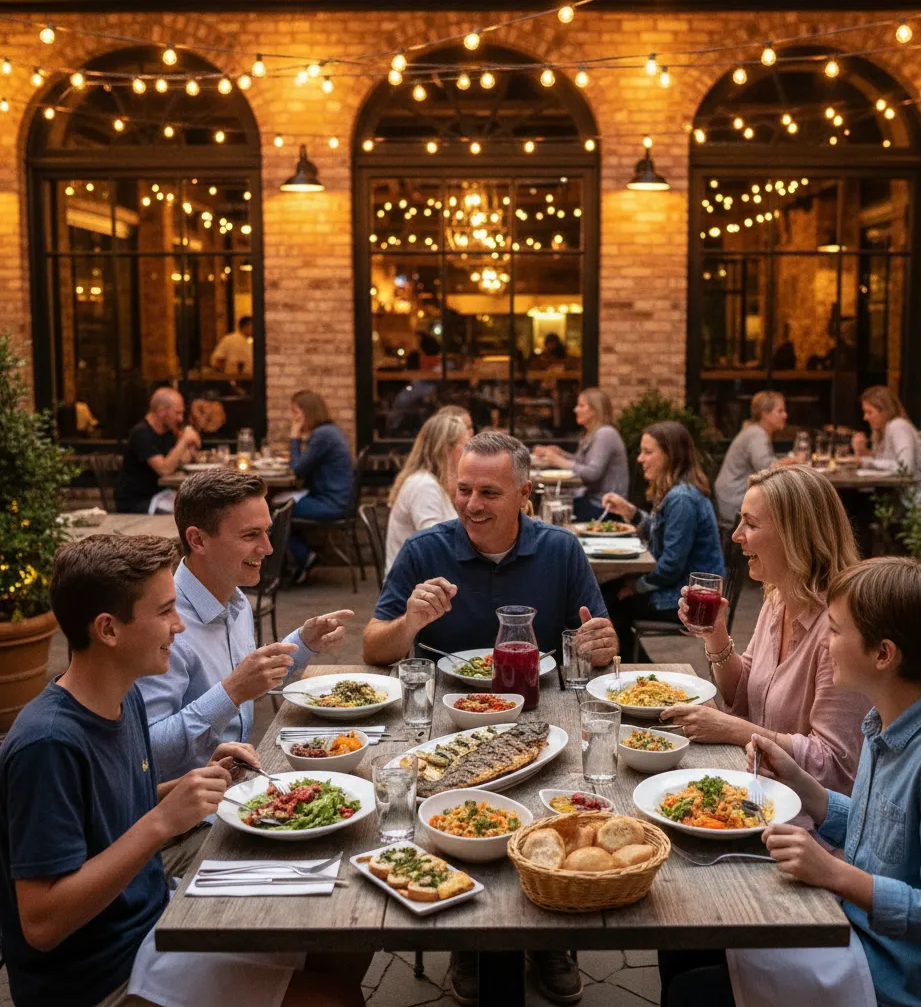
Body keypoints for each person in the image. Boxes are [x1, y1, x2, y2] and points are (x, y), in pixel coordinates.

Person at [0, 534, 368, 1007]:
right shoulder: (48, 745)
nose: (179, 626)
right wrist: (162, 822)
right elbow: (42, 923)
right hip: (104, 976)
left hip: (160, 919)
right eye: (164, 612)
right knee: (332, 997)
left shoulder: (124, 695)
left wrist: (187, 787)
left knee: (344, 931)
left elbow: (106, 811)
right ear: (108, 630)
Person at [662, 557, 921, 1007]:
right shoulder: (886, 721)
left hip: (901, 981)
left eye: (837, 630)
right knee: (683, 937)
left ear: (883, 654)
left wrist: (833, 873)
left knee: (694, 992)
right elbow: (879, 831)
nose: (825, 639)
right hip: (857, 933)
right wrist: (804, 785)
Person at [364, 431, 617, 1007]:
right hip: (450, 717)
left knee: (555, 798)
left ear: (524, 493)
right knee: (448, 806)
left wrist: (603, 643)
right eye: (463, 489)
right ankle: (469, 942)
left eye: (489, 493)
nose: (471, 504)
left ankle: (547, 933)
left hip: (542, 710)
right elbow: (374, 646)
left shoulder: (560, 549)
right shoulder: (426, 551)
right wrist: (409, 623)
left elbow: (598, 643)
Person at [135, 471, 354, 876]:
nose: (268, 548)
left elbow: (252, 680)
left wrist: (302, 643)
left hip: (238, 788)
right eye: (251, 535)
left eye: (267, 532)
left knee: (352, 808)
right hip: (176, 830)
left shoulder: (233, 598)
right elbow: (144, 753)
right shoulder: (165, 623)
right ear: (198, 539)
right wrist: (230, 692)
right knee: (324, 862)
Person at [665, 464, 869, 793]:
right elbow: (746, 695)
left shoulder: (841, 627)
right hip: (759, 789)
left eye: (752, 523)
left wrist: (732, 730)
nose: (736, 535)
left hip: (807, 823)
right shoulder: (777, 600)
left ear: (795, 535)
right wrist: (715, 634)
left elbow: (834, 766)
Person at [601, 421, 724, 657]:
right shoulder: (677, 492)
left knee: (608, 605)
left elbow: (670, 567)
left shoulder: (682, 499)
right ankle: (636, 670)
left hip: (687, 598)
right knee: (606, 593)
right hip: (677, 586)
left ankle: (632, 675)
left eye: (647, 452)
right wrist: (629, 511)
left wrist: (636, 587)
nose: (640, 459)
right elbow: (660, 532)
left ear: (670, 456)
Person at [385, 411, 469, 571]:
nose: (469, 453)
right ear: (446, 448)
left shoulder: (433, 482)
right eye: (465, 445)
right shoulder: (424, 486)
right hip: (415, 585)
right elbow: (434, 544)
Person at [287, 389, 356, 584]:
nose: (293, 417)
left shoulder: (323, 435)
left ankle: (304, 557)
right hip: (331, 498)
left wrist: (294, 436)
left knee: (276, 513)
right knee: (280, 509)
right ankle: (299, 558)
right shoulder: (328, 432)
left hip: (331, 503)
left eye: (295, 412)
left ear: (306, 412)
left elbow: (298, 469)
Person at [532, 388, 630, 521]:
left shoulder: (605, 434)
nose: (575, 409)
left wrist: (560, 461)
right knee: (550, 507)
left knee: (551, 512)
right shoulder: (591, 434)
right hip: (592, 500)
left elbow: (593, 473)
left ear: (595, 410)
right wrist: (562, 454)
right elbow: (582, 462)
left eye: (581, 405)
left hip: (604, 507)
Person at [115, 388, 201, 513]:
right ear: (161, 411)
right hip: (138, 501)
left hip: (161, 494)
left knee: (198, 507)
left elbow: (179, 460)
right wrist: (183, 441)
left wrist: (191, 447)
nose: (180, 419)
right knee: (187, 513)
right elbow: (164, 469)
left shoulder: (167, 432)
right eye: (177, 413)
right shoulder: (141, 433)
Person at [713, 390, 791, 526]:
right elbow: (766, 471)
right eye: (780, 411)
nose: (785, 415)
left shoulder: (754, 431)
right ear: (765, 414)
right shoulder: (757, 435)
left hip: (732, 498)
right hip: (736, 502)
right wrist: (792, 461)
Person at [851, 385, 921, 481]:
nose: (865, 418)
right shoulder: (879, 432)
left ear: (885, 411)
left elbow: (906, 467)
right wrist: (863, 451)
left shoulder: (898, 426)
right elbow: (884, 461)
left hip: (914, 493)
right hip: (893, 491)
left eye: (869, 412)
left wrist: (867, 462)